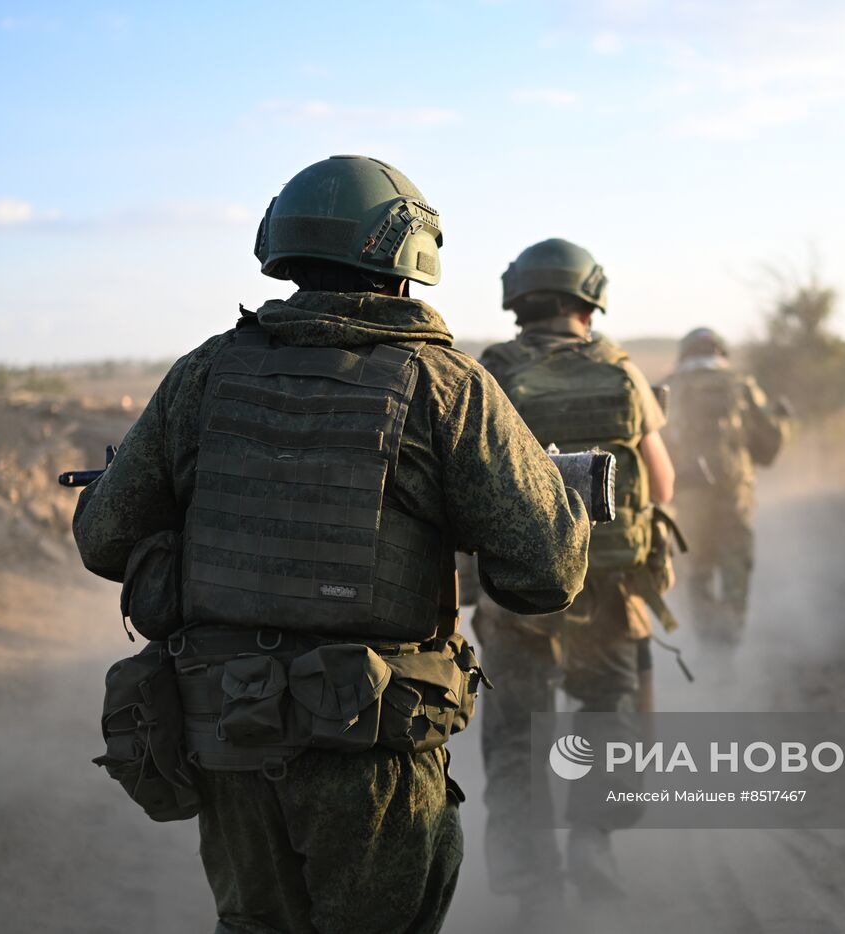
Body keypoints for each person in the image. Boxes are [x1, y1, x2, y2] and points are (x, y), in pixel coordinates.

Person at [72, 156, 591, 934]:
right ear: (408, 260)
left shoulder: (204, 374)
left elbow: (104, 538)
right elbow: (545, 574)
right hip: (372, 755)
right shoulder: (447, 386)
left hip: (231, 739)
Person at [472, 238, 675, 925]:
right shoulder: (620, 368)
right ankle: (593, 839)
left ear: (519, 299)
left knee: (517, 734)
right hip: (609, 587)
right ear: (590, 298)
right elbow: (663, 481)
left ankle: (534, 885)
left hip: (516, 590)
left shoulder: (488, 373)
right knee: (606, 711)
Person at [662, 327, 786, 648]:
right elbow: (768, 449)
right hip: (735, 498)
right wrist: (782, 420)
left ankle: (706, 643)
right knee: (735, 572)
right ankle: (728, 645)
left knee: (695, 572)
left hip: (688, 501)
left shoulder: (669, 389)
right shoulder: (741, 386)